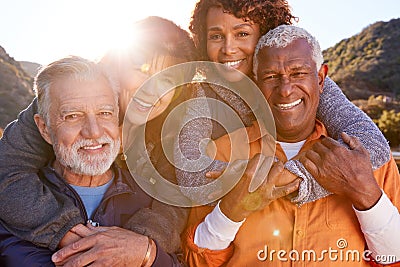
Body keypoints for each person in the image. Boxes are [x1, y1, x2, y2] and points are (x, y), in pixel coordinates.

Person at [182, 25, 400, 266]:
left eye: (298, 73)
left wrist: (365, 193)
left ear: (320, 78)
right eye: (271, 77)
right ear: (255, 84)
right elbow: (198, 261)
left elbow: (393, 259)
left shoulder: (365, 158)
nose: (285, 89)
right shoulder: (220, 154)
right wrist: (231, 212)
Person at [0, 17, 195, 265]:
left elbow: (174, 201)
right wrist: (66, 231)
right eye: (141, 69)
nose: (151, 90)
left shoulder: (175, 128)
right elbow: (6, 167)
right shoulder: (66, 95)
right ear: (117, 64)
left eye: (166, 81)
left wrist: (131, 245)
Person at [175, 0, 391, 205]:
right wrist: (257, 181)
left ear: (265, 34)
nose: (228, 48)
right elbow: (189, 172)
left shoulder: (302, 82)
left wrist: (288, 177)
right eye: (216, 36)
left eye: (242, 34)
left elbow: (371, 144)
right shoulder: (202, 95)